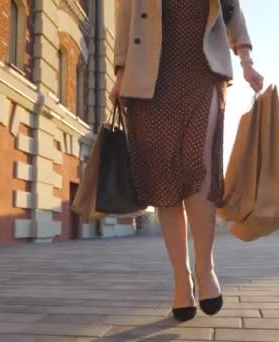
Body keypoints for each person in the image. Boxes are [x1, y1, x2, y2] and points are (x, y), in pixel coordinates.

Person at [109, 0, 264, 321]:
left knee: (200, 168)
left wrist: (247, 60)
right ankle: (182, 278)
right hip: (150, 76)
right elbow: (125, 14)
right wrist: (121, 71)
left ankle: (205, 267)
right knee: (165, 178)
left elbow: (233, 12)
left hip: (203, 73)